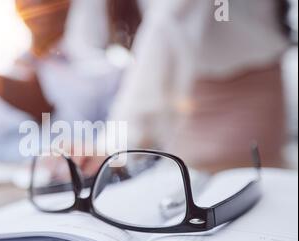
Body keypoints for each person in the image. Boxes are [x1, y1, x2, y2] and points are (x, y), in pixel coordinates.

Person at [75, 0, 292, 175]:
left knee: (235, 202)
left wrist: (113, 146)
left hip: (242, 95)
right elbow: (83, 38)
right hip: (185, 100)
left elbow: (169, 25)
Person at [0, 0, 121, 162]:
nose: (38, 4)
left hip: (64, 201)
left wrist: (49, 114)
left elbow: (120, 151)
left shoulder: (107, 74)